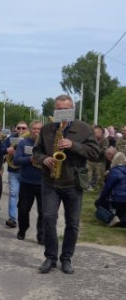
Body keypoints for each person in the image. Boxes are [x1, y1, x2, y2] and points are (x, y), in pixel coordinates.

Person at [32, 94, 100, 274]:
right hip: (50, 181)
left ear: (72, 110)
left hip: (73, 182)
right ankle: (50, 257)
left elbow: (95, 153)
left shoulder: (84, 128)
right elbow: (35, 153)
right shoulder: (47, 129)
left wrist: (73, 145)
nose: (62, 113)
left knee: (73, 223)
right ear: (55, 110)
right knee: (48, 218)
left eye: (66, 109)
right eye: (59, 110)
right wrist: (44, 159)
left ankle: (66, 258)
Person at [13, 120, 44, 243]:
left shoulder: (46, 144)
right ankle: (23, 229)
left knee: (43, 211)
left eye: (39, 129)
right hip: (27, 182)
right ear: (30, 130)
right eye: (34, 129)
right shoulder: (23, 143)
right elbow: (16, 160)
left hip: (42, 183)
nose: (36, 131)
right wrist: (30, 159)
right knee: (23, 209)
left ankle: (41, 235)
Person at [4, 121, 29, 228]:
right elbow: (1, 149)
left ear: (27, 129)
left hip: (25, 171)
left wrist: (19, 153)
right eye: (19, 128)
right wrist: (7, 150)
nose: (21, 130)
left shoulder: (30, 139)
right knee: (13, 194)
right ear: (15, 128)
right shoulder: (10, 138)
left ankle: (22, 218)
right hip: (13, 171)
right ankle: (12, 218)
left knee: (24, 197)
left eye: (24, 128)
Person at [95, 148, 126, 227]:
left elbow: (107, 189)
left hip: (117, 199)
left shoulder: (114, 171)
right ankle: (120, 220)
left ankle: (111, 218)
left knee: (98, 203)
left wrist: (100, 199)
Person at [88, 126, 109, 190]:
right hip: (90, 160)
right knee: (89, 174)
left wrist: (94, 151)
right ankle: (88, 186)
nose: (94, 134)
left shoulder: (105, 140)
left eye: (96, 132)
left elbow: (103, 150)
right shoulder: (92, 139)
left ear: (101, 133)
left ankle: (99, 187)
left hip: (100, 161)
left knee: (99, 176)